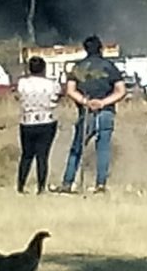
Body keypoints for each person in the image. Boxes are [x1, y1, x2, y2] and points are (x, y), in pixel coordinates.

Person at [54, 35, 126, 193]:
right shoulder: (110, 67)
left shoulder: (78, 68)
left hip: (85, 113)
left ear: (85, 49)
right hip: (106, 112)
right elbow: (121, 91)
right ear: (101, 48)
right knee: (103, 149)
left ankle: (67, 182)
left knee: (77, 148)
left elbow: (70, 90)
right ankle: (100, 184)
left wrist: (86, 102)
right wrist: (103, 102)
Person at [14, 56, 60, 194]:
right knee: (42, 156)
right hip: (46, 121)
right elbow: (56, 98)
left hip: (27, 121)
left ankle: (21, 186)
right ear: (44, 69)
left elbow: (18, 96)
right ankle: (41, 187)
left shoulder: (22, 83)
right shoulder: (51, 84)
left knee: (26, 155)